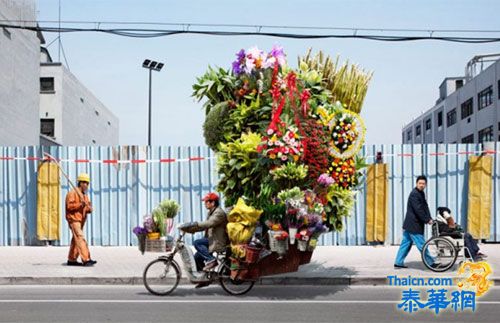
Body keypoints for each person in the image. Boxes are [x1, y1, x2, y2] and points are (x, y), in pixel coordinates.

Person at [394, 175, 437, 269]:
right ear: (416, 183)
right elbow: (418, 210)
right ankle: (430, 262)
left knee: (405, 244)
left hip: (411, 224)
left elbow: (425, 207)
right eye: (420, 183)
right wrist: (427, 220)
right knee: (422, 245)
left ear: (425, 185)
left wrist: (429, 217)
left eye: (423, 183)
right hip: (414, 225)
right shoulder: (414, 194)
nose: (421, 185)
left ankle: (398, 262)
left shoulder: (421, 193)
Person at [191, 192, 228, 288]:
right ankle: (205, 279)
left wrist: (195, 224)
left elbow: (209, 223)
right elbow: (206, 227)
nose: (205, 203)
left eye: (207, 201)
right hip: (211, 239)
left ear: (213, 203)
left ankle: (211, 260)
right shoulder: (211, 212)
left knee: (196, 243)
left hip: (218, 241)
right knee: (197, 257)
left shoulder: (219, 213)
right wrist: (192, 229)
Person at [65, 173, 97, 267]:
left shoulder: (84, 196)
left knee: (76, 240)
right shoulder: (72, 193)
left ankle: (72, 259)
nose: (86, 185)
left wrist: (89, 209)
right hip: (73, 219)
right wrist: (80, 204)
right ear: (80, 183)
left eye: (87, 183)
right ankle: (86, 259)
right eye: (84, 183)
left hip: (81, 220)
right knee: (80, 237)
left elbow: (86, 208)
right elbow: (69, 206)